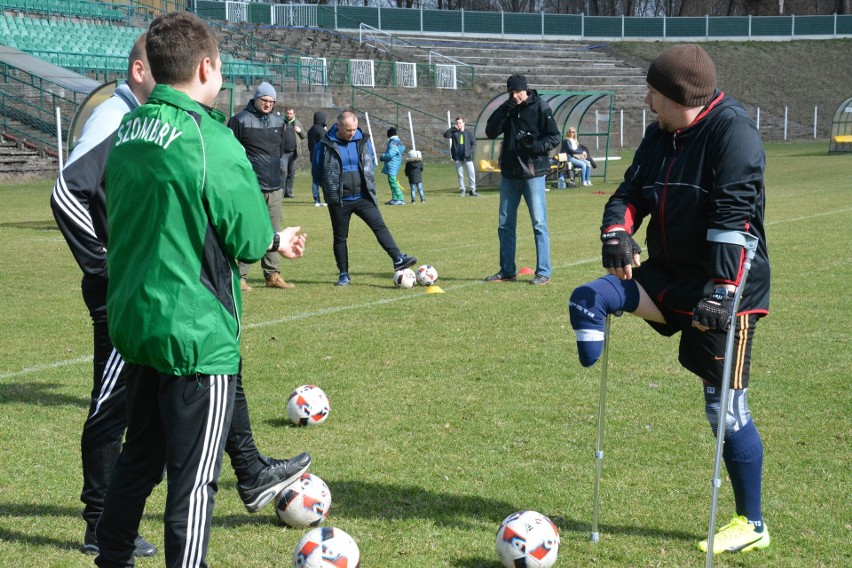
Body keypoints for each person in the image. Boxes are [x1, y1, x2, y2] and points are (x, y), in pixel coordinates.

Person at [94, 13, 308, 567]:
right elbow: (249, 235)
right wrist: (274, 237)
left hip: (139, 324)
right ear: (207, 66)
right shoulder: (208, 137)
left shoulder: (129, 129)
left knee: (139, 455)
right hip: (194, 333)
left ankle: (111, 556)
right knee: (193, 480)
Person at [567, 44, 771, 555]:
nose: (646, 99)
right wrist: (617, 229)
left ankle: (753, 523)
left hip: (726, 290)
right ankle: (594, 317)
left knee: (724, 413)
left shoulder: (733, 134)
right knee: (589, 295)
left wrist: (723, 291)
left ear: (679, 96)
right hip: (669, 276)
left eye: (654, 92)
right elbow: (630, 192)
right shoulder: (662, 134)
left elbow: (735, 219)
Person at [312, 110, 417, 287]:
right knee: (340, 237)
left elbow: (370, 162)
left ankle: (398, 258)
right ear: (338, 126)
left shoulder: (363, 140)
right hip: (339, 199)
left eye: (354, 129)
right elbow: (316, 170)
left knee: (379, 226)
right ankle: (343, 274)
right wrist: (329, 189)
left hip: (363, 196)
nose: (351, 132)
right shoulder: (324, 144)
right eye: (348, 129)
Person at [484, 74, 560, 286]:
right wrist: (505, 108)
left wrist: (534, 146)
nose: (515, 96)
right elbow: (491, 131)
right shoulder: (508, 108)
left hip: (533, 174)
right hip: (509, 174)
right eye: (511, 92)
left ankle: (543, 271)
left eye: (518, 92)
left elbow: (555, 137)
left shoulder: (540, 107)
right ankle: (507, 270)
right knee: (505, 225)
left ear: (525, 90)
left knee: (539, 224)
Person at [228, 81, 295, 290]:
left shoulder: (278, 121)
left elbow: (286, 149)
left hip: (275, 185)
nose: (267, 104)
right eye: (264, 100)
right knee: (248, 230)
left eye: (271, 101)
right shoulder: (239, 121)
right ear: (255, 99)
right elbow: (229, 151)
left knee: (274, 231)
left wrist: (282, 167)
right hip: (250, 186)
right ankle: (239, 277)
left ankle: (272, 275)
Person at [443, 116, 478, 196]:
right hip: (458, 157)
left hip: (467, 157)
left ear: (464, 123)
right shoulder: (454, 133)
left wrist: (469, 152)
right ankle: (462, 190)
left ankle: (472, 190)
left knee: (471, 173)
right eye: (457, 123)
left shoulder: (469, 133)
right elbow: (445, 135)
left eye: (460, 123)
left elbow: (474, 143)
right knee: (460, 175)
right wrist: (452, 128)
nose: (458, 124)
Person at [282, 105, 306, 198]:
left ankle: (289, 192)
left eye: (290, 113)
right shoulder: (281, 122)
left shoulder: (298, 123)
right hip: (283, 152)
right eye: (287, 113)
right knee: (283, 171)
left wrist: (300, 131)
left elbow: (304, 136)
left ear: (294, 114)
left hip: (294, 152)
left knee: (291, 173)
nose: (288, 115)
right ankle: (281, 192)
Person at [380, 126, 406, 205]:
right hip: (395, 164)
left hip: (392, 165)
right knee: (392, 182)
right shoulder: (398, 142)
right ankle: (395, 198)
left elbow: (390, 154)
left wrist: (382, 157)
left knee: (393, 182)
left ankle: (400, 199)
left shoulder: (393, 143)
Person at [306, 111, 328, 207]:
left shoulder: (310, 130)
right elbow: (325, 143)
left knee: (315, 179)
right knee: (324, 178)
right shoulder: (321, 131)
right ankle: (326, 198)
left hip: (313, 155)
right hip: (321, 156)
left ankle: (316, 200)